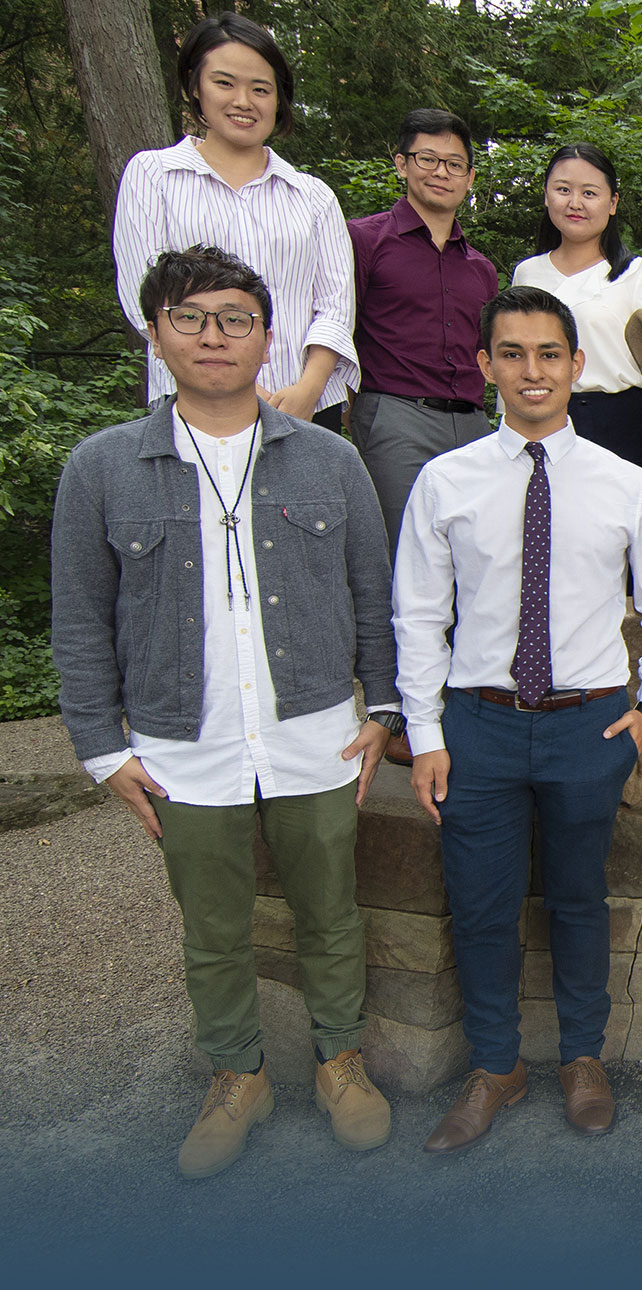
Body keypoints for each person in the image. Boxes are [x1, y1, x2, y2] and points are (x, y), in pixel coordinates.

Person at [51, 246, 398, 1178]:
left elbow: (377, 593)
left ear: (267, 335)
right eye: (192, 317)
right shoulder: (103, 468)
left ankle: (339, 1061)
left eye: (236, 318)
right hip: (180, 746)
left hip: (312, 732)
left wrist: (389, 708)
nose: (215, 335)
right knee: (212, 927)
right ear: (155, 332)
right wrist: (98, 750)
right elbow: (80, 618)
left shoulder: (330, 460)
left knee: (332, 912)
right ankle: (237, 1076)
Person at [393, 286, 642, 1152]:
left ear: (575, 366)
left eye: (549, 353)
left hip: (588, 728)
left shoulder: (625, 485)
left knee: (578, 899)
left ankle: (581, 1058)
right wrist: (427, 734)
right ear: (485, 366)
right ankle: (496, 1066)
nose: (532, 370)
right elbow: (417, 615)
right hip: (477, 727)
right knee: (480, 905)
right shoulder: (443, 483)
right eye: (513, 353)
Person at [113, 13, 356, 428]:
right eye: (224, 83)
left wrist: (307, 391)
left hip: (305, 406)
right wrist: (247, 392)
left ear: (279, 98)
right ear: (195, 86)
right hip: (193, 401)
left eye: (260, 88)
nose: (243, 101)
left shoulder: (314, 196)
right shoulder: (153, 176)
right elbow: (148, 297)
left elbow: (336, 307)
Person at [348, 108, 498, 556]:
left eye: (454, 164)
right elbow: (339, 329)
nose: (441, 173)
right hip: (395, 417)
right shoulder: (363, 241)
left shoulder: (481, 269)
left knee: (473, 556)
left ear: (469, 177)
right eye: (427, 159)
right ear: (401, 163)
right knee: (406, 555)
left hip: (472, 423)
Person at [511, 144, 642, 475]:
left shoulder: (636, 274)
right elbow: (513, 356)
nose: (575, 203)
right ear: (546, 196)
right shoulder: (527, 274)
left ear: (612, 202)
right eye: (563, 190)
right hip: (540, 420)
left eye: (589, 192)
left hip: (623, 429)